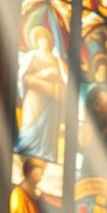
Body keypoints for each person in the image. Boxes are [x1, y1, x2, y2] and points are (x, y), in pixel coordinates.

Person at [15, 26, 67, 162]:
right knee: (31, 122)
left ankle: (45, 153)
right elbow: (23, 77)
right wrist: (45, 75)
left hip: (50, 100)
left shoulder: (55, 60)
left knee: (48, 130)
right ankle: (26, 150)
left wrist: (55, 88)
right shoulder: (32, 55)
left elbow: (62, 81)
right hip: (35, 97)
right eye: (40, 38)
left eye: (45, 38)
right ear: (36, 40)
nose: (43, 41)